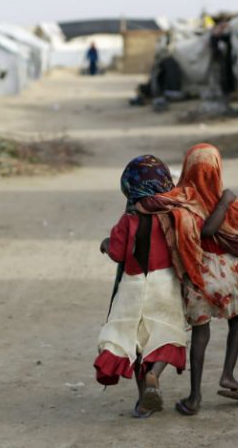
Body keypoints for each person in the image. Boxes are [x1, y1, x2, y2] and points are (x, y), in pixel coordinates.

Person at [135, 143, 238, 415]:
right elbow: (229, 232)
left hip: (198, 275)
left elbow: (157, 213)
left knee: (201, 334)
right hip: (228, 275)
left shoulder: (182, 198)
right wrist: (225, 202)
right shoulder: (226, 200)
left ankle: (195, 397)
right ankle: (228, 375)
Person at [93, 155, 187, 418]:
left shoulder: (128, 220)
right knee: (165, 334)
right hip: (164, 286)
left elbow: (117, 253)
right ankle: (154, 378)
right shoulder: (172, 217)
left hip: (132, 288)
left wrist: (104, 243)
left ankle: (143, 401)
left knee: (134, 342)